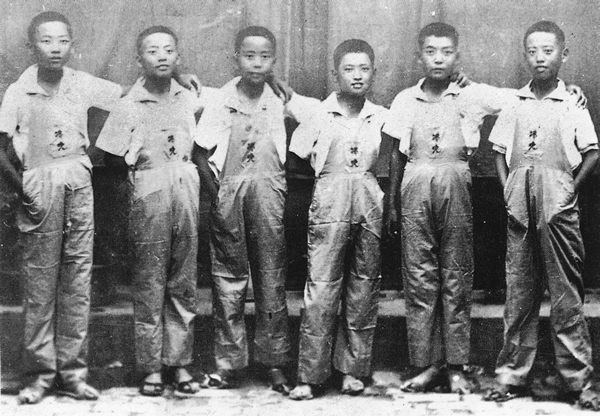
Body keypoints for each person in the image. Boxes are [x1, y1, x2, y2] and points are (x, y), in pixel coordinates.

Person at [382, 22, 520, 395]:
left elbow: (519, 98)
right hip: (415, 182)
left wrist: (569, 93)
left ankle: (456, 366)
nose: (438, 59)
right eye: (431, 51)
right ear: (420, 56)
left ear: (457, 56)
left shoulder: (470, 95)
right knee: (419, 276)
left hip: (456, 182)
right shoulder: (405, 100)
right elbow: (395, 153)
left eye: (446, 52)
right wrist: (393, 202)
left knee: (456, 275)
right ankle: (426, 364)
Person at [0, 11, 125, 404]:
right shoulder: (19, 91)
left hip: (78, 181)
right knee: (40, 283)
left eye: (62, 41)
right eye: (46, 40)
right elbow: (1, 149)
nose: (55, 48)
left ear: (72, 45)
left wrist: (182, 77)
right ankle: (39, 375)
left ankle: (72, 372)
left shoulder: (81, 83)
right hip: (38, 183)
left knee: (77, 278)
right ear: (31, 46)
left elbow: (130, 96)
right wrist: (24, 189)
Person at [95, 25, 219, 397]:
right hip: (149, 191)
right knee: (149, 282)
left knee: (183, 280)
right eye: (152, 51)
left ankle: (178, 363)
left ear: (177, 57)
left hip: (186, 188)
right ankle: (150, 368)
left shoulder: (190, 97)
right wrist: (134, 193)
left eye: (168, 50)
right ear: (139, 60)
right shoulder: (129, 104)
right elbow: (111, 157)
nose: (161, 56)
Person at [193, 25, 317, 393]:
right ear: (236, 58)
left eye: (265, 57)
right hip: (229, 191)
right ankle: (228, 363)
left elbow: (321, 114)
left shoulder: (279, 97)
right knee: (228, 278)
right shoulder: (221, 99)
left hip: (268, 191)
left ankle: (274, 362)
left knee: (271, 276)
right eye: (249, 56)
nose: (257, 63)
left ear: (274, 61)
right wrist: (217, 194)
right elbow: (199, 153)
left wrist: (282, 88)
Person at [483, 21, 600, 410]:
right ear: (525, 56)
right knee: (519, 291)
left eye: (547, 51)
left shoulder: (571, 102)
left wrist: (568, 191)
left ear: (562, 55)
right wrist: (508, 190)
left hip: (557, 202)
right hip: (519, 199)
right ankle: (511, 375)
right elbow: (499, 151)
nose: (539, 58)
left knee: (565, 294)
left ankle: (578, 380)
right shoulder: (515, 103)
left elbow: (592, 152)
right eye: (532, 51)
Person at [286, 39, 386, 401]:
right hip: (330, 200)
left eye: (364, 69)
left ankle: (352, 371)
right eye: (349, 69)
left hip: (369, 200)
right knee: (322, 288)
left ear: (373, 73)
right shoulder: (319, 115)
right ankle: (310, 375)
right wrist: (325, 185)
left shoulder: (382, 116)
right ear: (335, 73)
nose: (357, 76)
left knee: (363, 286)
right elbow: (295, 158)